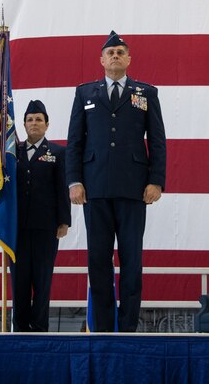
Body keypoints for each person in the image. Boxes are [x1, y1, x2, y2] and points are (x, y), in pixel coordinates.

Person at [66, 31, 167, 332]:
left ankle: (127, 330)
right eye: (110, 53)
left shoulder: (146, 93)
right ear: (101, 60)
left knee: (131, 262)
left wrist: (156, 181)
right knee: (98, 261)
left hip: (134, 189)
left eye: (120, 52)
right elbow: (75, 142)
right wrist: (74, 180)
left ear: (128, 59)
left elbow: (158, 141)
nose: (115, 56)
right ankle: (102, 329)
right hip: (94, 188)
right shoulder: (85, 93)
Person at [13, 100, 71, 331]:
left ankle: (39, 329)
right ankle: (19, 330)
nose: (34, 123)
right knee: (19, 281)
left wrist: (64, 220)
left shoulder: (58, 152)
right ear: (24, 125)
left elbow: (62, 188)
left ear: (47, 125)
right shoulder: (11, 152)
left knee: (42, 279)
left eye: (38, 119)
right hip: (16, 228)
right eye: (30, 120)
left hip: (46, 227)